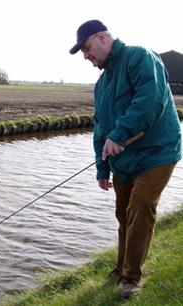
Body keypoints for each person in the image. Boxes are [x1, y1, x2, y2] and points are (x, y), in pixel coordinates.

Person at [69, 19, 182, 299]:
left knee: (141, 207)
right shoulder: (101, 84)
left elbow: (149, 100)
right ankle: (120, 268)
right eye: (83, 52)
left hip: (158, 153)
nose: (86, 56)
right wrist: (102, 168)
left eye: (86, 48)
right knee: (123, 214)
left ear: (101, 38)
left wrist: (119, 135)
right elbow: (100, 130)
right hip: (124, 161)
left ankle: (132, 277)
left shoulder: (139, 57)